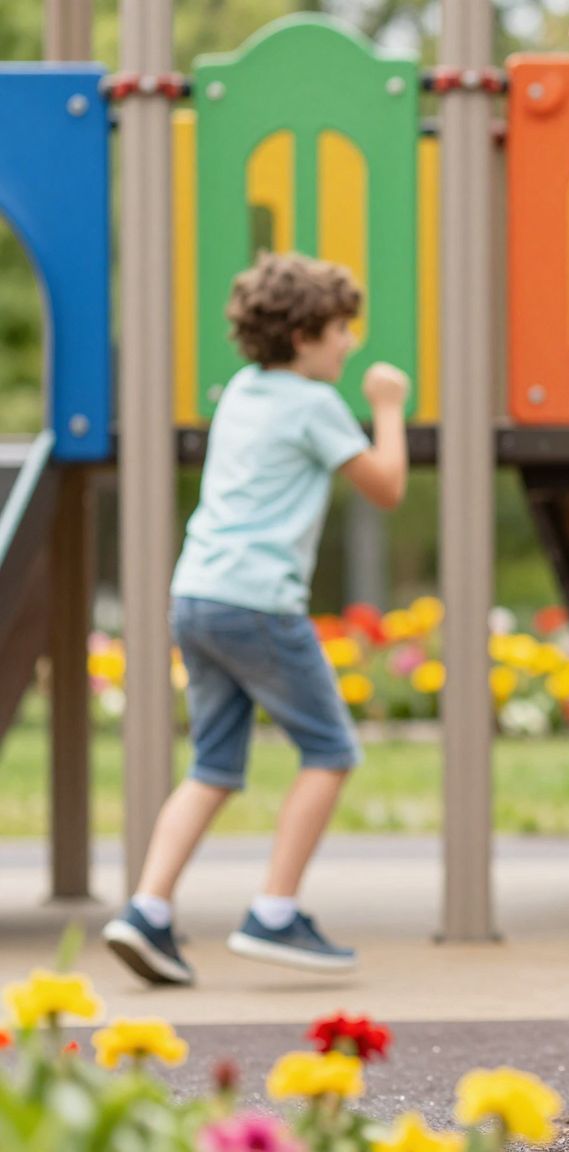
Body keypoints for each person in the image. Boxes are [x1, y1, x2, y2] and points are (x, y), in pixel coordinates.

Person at [102, 252, 411, 986]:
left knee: (211, 764)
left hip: (197, 596)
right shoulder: (314, 404)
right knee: (331, 751)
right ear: (304, 336)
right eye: (342, 330)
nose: (351, 344)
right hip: (258, 604)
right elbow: (388, 486)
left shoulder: (242, 389)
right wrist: (389, 406)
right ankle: (274, 911)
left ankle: (147, 909)